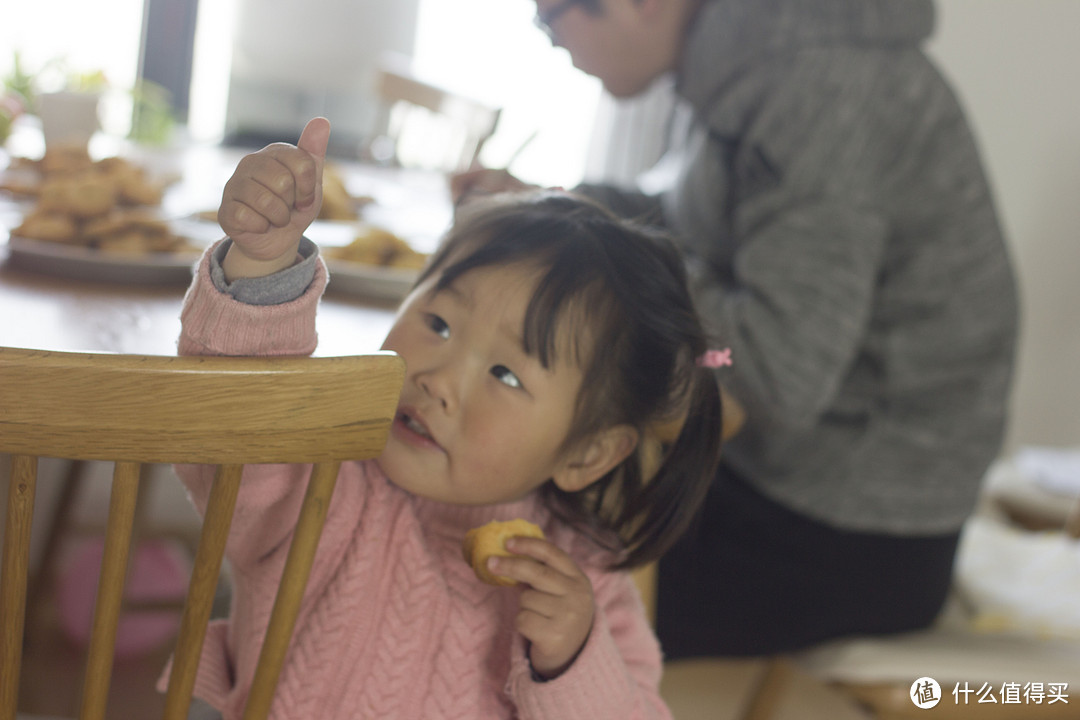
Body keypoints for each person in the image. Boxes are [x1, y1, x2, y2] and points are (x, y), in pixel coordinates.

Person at [453, 0, 1019, 658]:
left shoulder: (818, 86)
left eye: (551, 16)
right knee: (492, 490)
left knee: (495, 583)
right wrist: (555, 207)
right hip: (773, 473)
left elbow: (776, 369)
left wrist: (618, 264)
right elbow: (691, 222)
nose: (549, 38)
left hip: (849, 523)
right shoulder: (740, 63)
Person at [171, 117, 724, 719]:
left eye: (506, 375)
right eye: (437, 324)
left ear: (586, 453)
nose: (438, 379)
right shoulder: (317, 482)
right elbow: (234, 421)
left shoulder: (584, 582)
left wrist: (572, 662)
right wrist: (263, 265)